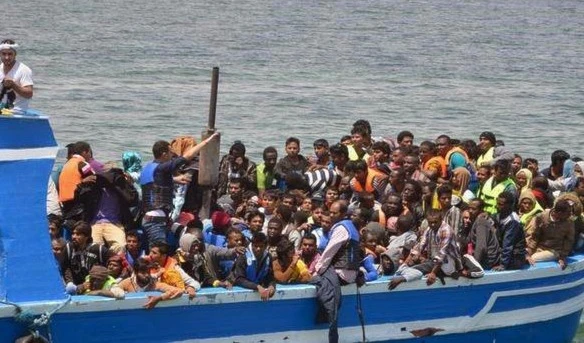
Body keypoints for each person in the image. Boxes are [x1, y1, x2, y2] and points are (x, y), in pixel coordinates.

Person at [140, 134, 218, 246]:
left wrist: (175, 179)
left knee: (187, 235)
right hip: (156, 222)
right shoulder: (162, 167)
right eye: (170, 152)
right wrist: (206, 142)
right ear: (164, 154)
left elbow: (154, 184)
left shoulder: (148, 168)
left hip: (156, 219)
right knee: (159, 252)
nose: (172, 154)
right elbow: (186, 157)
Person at [311, 200, 360, 343]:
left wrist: (317, 270)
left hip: (340, 273)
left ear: (343, 214)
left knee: (314, 280)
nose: (331, 215)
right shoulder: (352, 227)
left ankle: (324, 317)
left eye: (335, 213)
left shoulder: (341, 228)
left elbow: (328, 253)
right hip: (350, 274)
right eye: (330, 212)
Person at [525, 199, 575, 269]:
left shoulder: (569, 222)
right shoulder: (542, 217)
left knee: (534, 258)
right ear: (560, 213)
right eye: (568, 213)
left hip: (555, 250)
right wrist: (528, 252)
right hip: (540, 247)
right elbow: (534, 236)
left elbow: (569, 240)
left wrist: (562, 257)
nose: (570, 214)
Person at [61, 221, 109, 291]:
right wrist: (70, 282)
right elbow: (66, 267)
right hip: (76, 286)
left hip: (96, 286)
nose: (74, 237)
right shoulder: (69, 248)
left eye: (78, 234)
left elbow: (109, 266)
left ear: (86, 236)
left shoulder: (99, 249)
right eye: (73, 233)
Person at [119, 258, 183, 309]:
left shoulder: (155, 284)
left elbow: (179, 291)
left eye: (148, 272)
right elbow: (113, 289)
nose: (147, 275)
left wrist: (159, 298)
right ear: (136, 272)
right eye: (143, 273)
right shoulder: (128, 282)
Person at [231, 232, 276, 300]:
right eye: (256, 246)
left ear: (266, 246)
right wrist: (257, 287)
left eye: (261, 246)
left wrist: (271, 286)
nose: (258, 249)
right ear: (252, 245)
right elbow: (239, 279)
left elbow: (270, 276)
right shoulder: (243, 256)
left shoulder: (268, 257)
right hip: (239, 295)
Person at [491, 192, 526, 271]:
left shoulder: (512, 221)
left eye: (501, 204)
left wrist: (503, 265)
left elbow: (508, 244)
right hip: (505, 253)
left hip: (515, 258)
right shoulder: (500, 215)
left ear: (509, 206)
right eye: (497, 203)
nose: (497, 206)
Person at [0, 39, 33, 112]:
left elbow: (29, 94)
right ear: (0, 54)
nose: (7, 57)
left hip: (17, 113)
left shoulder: (23, 70)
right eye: (4, 54)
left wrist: (13, 85)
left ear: (15, 54)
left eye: (10, 54)